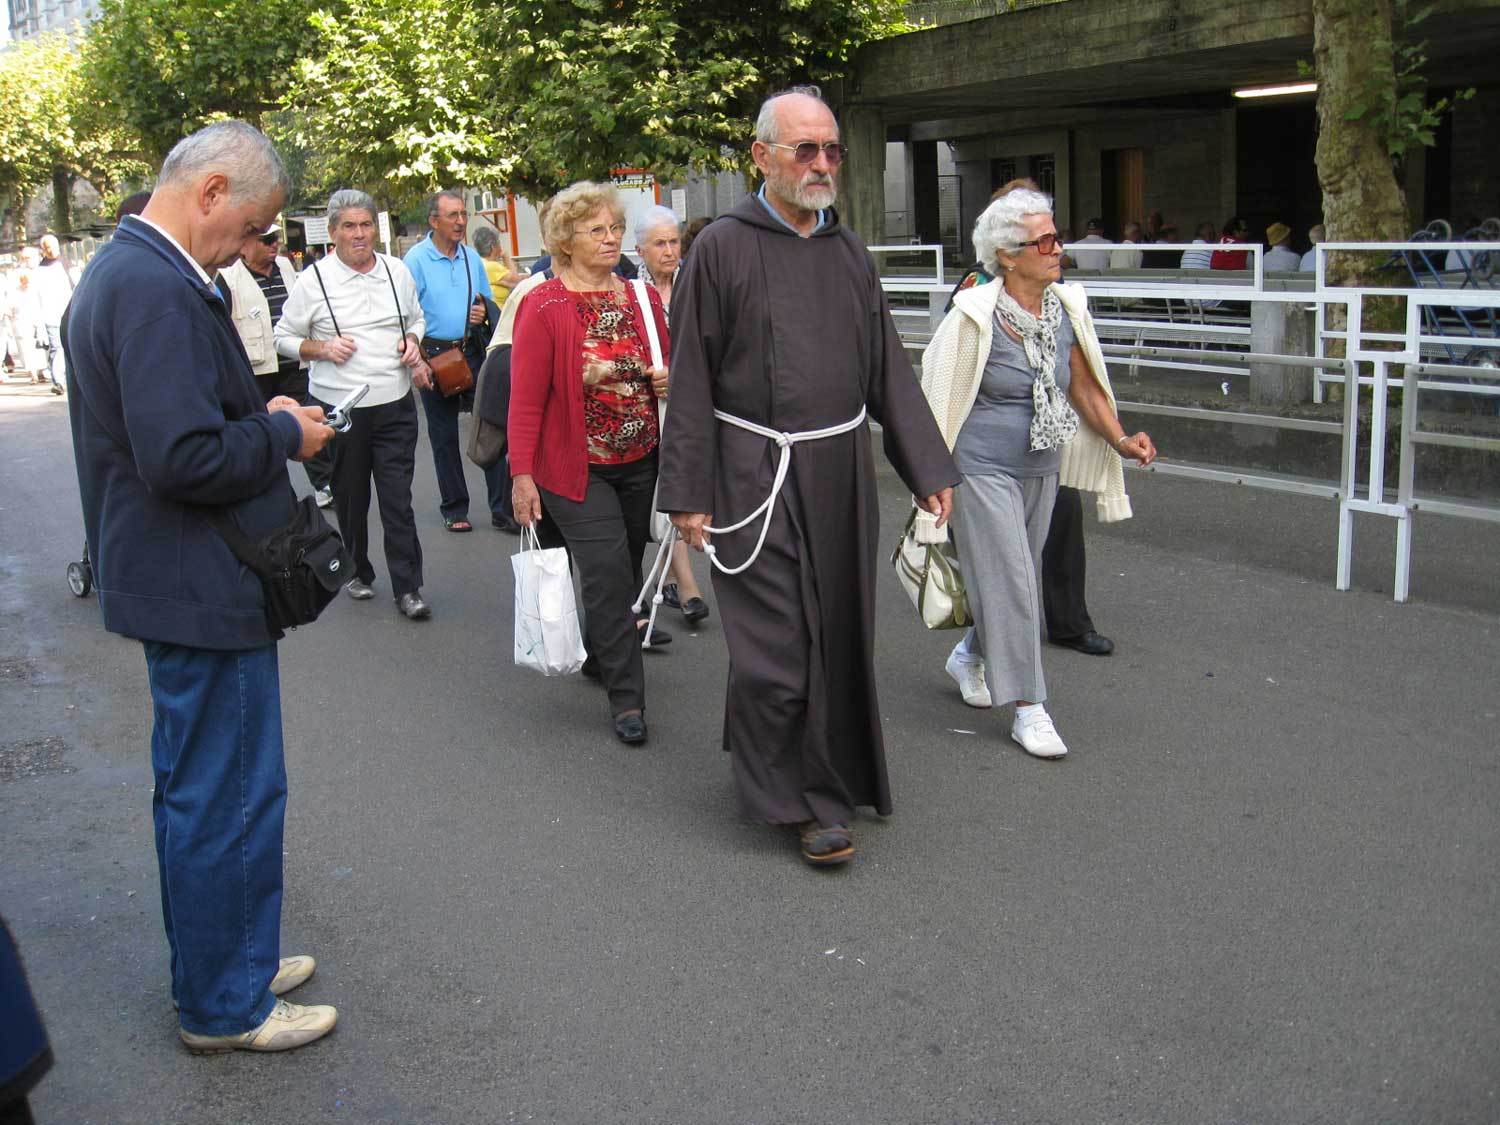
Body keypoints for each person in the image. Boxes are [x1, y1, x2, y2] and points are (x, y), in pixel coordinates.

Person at [65, 120, 338, 1054]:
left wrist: (257, 414)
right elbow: (181, 456)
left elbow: (177, 428)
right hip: (198, 578)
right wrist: (282, 433)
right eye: (252, 227)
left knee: (206, 790)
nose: (251, 248)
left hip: (182, 574)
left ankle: (231, 962)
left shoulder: (135, 271)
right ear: (212, 191)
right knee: (227, 795)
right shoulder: (154, 286)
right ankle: (226, 1002)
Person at [657, 87, 958, 868]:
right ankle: (808, 803)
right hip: (751, 470)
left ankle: (812, 766)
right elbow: (690, 378)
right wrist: (686, 492)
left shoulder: (848, 252)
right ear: (762, 156)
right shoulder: (721, 249)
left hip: (838, 469)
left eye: (831, 150)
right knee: (778, 645)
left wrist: (925, 465)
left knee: (838, 630)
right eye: (806, 150)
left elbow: (887, 367)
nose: (823, 164)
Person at [919, 185, 1156, 760]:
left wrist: (1121, 439)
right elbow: (935, 390)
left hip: (1041, 463)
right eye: (1044, 241)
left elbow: (1083, 386)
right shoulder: (974, 313)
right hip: (979, 466)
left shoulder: (1065, 308)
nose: (1058, 249)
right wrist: (930, 476)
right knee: (1014, 581)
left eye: (1056, 237)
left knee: (1014, 576)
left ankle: (969, 655)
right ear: (1007, 254)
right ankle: (1029, 707)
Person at [509, 181, 671, 745]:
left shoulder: (642, 298)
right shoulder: (544, 304)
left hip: (641, 460)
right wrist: (522, 476)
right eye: (596, 230)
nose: (610, 238)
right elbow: (525, 400)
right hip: (576, 468)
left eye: (615, 228)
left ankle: (603, 654)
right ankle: (628, 700)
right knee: (606, 572)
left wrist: (667, 378)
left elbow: (670, 363)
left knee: (626, 567)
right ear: (565, 240)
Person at [276, 189, 433, 620]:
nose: (359, 234)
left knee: (398, 500)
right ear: (333, 232)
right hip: (341, 410)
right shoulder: (313, 280)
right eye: (349, 226)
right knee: (351, 497)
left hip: (395, 404)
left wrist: (412, 340)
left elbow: (418, 318)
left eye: (365, 224)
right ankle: (357, 570)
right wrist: (322, 348)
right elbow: (283, 337)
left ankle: (409, 588)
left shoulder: (396, 271)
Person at [404, 190, 511, 533]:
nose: (461, 221)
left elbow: (486, 301)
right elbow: (406, 314)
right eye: (453, 215)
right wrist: (417, 361)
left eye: (463, 214)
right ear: (434, 221)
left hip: (470, 351)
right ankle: (455, 508)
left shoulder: (470, 258)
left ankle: (502, 509)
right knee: (444, 436)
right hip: (435, 356)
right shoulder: (415, 260)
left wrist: (483, 312)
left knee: (492, 426)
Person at [218, 222, 335, 506]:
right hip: (256, 370)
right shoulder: (228, 277)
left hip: (293, 363)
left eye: (275, 239)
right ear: (246, 245)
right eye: (266, 240)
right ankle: (268, 489)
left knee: (307, 419)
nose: (274, 245)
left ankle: (324, 483)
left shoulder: (285, 267)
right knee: (261, 428)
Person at [634, 203, 710, 626]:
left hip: (688, 404)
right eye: (659, 243)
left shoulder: (695, 283)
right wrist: (650, 375)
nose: (669, 251)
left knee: (675, 484)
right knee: (662, 489)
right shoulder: (629, 292)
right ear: (640, 250)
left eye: (674, 242)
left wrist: (679, 376)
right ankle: (687, 585)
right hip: (644, 409)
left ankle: (667, 579)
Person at [33, 234, 73, 395]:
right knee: (57, 347)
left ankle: (69, 379)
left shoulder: (66, 265)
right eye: (47, 247)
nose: (50, 250)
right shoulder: (39, 271)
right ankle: (59, 381)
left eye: (52, 246)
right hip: (51, 315)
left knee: (69, 347)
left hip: (69, 312)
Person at [474, 224, 524, 308]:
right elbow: (516, 281)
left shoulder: (480, 263)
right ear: (493, 246)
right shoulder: (491, 266)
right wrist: (506, 257)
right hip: (497, 313)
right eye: (499, 242)